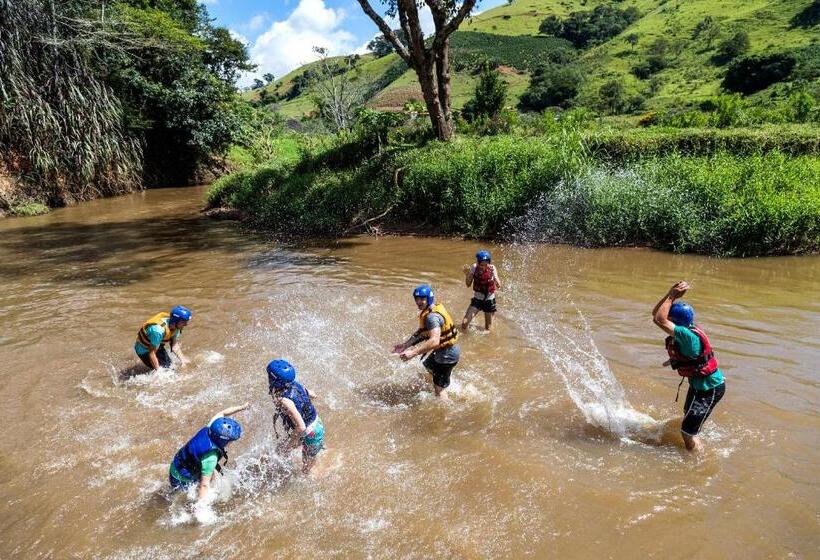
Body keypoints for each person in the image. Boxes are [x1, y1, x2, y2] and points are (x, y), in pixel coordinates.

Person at [652, 281, 726, 452]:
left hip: (710, 388)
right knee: (688, 417)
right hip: (701, 384)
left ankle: (697, 465)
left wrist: (671, 295)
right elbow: (657, 316)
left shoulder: (685, 335)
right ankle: (697, 432)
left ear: (674, 321)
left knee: (687, 432)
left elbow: (658, 319)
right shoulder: (687, 328)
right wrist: (669, 295)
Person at [169, 403, 249, 503]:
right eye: (231, 441)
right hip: (181, 480)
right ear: (223, 441)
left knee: (212, 475)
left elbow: (223, 413)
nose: (231, 443)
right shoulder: (211, 458)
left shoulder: (211, 427)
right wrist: (202, 507)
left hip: (176, 465)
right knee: (205, 492)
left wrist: (242, 407)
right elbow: (204, 485)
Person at [393, 285, 461, 399]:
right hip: (445, 351)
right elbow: (423, 332)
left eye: (422, 299)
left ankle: (445, 411)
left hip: (446, 355)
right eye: (417, 299)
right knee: (428, 369)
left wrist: (413, 353)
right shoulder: (431, 310)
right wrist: (405, 345)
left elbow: (434, 341)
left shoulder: (432, 317)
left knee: (439, 390)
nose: (419, 302)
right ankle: (442, 382)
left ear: (429, 298)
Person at [267, 359, 325, 474]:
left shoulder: (285, 400)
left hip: (310, 432)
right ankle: (315, 450)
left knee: (305, 466)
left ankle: (308, 475)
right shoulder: (294, 384)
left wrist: (290, 442)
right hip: (316, 423)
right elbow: (313, 395)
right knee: (284, 451)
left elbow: (301, 427)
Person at [134, 306, 192, 371]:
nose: (186, 324)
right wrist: (158, 371)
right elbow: (151, 353)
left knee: (171, 368)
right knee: (165, 372)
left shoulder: (176, 326)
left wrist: (183, 359)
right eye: (184, 322)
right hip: (144, 350)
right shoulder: (158, 330)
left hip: (156, 344)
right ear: (175, 321)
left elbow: (174, 345)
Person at [461, 249, 502, 332]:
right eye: (482, 264)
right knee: (464, 324)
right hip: (477, 299)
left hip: (489, 300)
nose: (484, 266)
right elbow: (468, 284)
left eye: (486, 264)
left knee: (488, 329)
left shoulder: (492, 268)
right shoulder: (474, 267)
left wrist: (496, 280)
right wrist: (468, 275)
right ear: (478, 262)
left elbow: (499, 285)